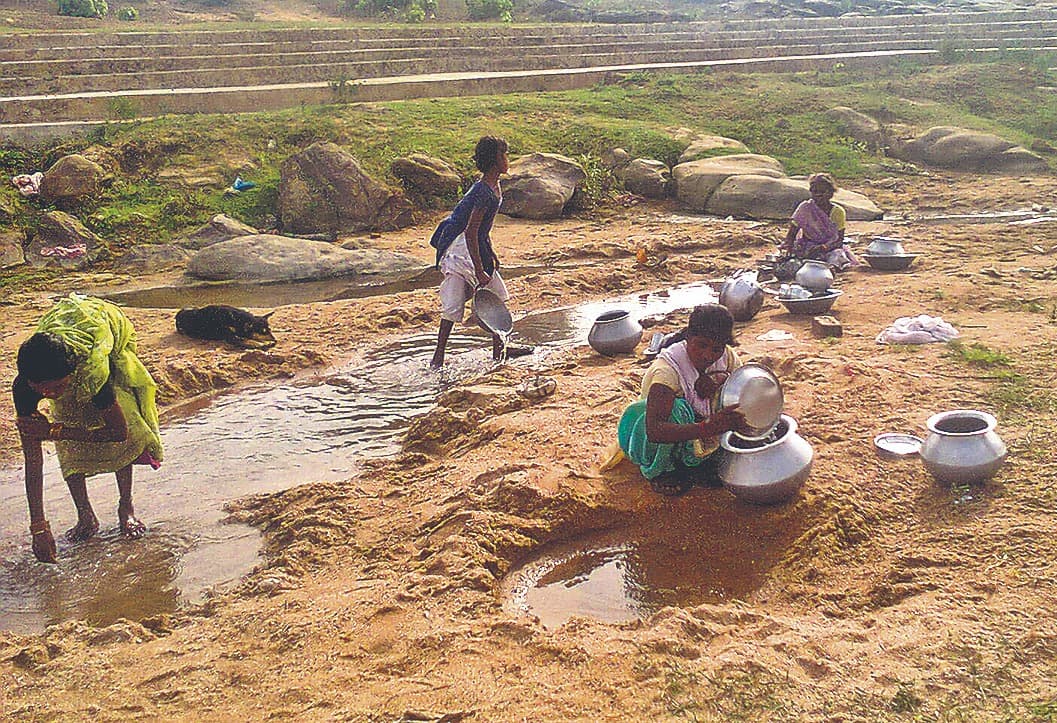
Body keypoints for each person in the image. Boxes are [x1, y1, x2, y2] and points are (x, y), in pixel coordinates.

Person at [13, 294, 163, 563]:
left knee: (117, 436)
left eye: (57, 387)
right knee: (68, 438)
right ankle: (86, 516)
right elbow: (32, 460)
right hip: (64, 347)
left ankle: (125, 506)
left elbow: (119, 434)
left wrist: (54, 431)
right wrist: (39, 528)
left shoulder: (94, 374)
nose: (49, 393)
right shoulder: (25, 388)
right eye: (42, 389)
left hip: (107, 331)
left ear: (71, 374)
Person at [607, 305, 746, 496]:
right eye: (701, 345)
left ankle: (695, 462)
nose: (708, 355)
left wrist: (718, 378)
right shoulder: (668, 369)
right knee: (676, 410)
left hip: (697, 431)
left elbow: (743, 387)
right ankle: (664, 470)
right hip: (655, 436)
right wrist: (707, 428)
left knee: (732, 392)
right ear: (688, 338)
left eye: (716, 349)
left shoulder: (727, 357)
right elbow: (655, 430)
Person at [429, 135, 533, 369]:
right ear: (495, 160)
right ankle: (438, 357)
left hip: (474, 242)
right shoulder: (483, 192)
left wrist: (490, 254)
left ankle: (500, 349)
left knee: (495, 292)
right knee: (454, 301)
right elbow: (470, 231)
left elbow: (481, 230)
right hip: (458, 247)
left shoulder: (493, 187)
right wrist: (478, 268)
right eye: (504, 155)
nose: (508, 160)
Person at [782, 172, 860, 270]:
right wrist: (789, 246)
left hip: (829, 247)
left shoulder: (838, 212)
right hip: (807, 246)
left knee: (837, 255)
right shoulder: (805, 208)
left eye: (822, 192)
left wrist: (824, 248)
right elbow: (792, 233)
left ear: (831, 193)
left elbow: (839, 240)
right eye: (815, 192)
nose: (818, 195)